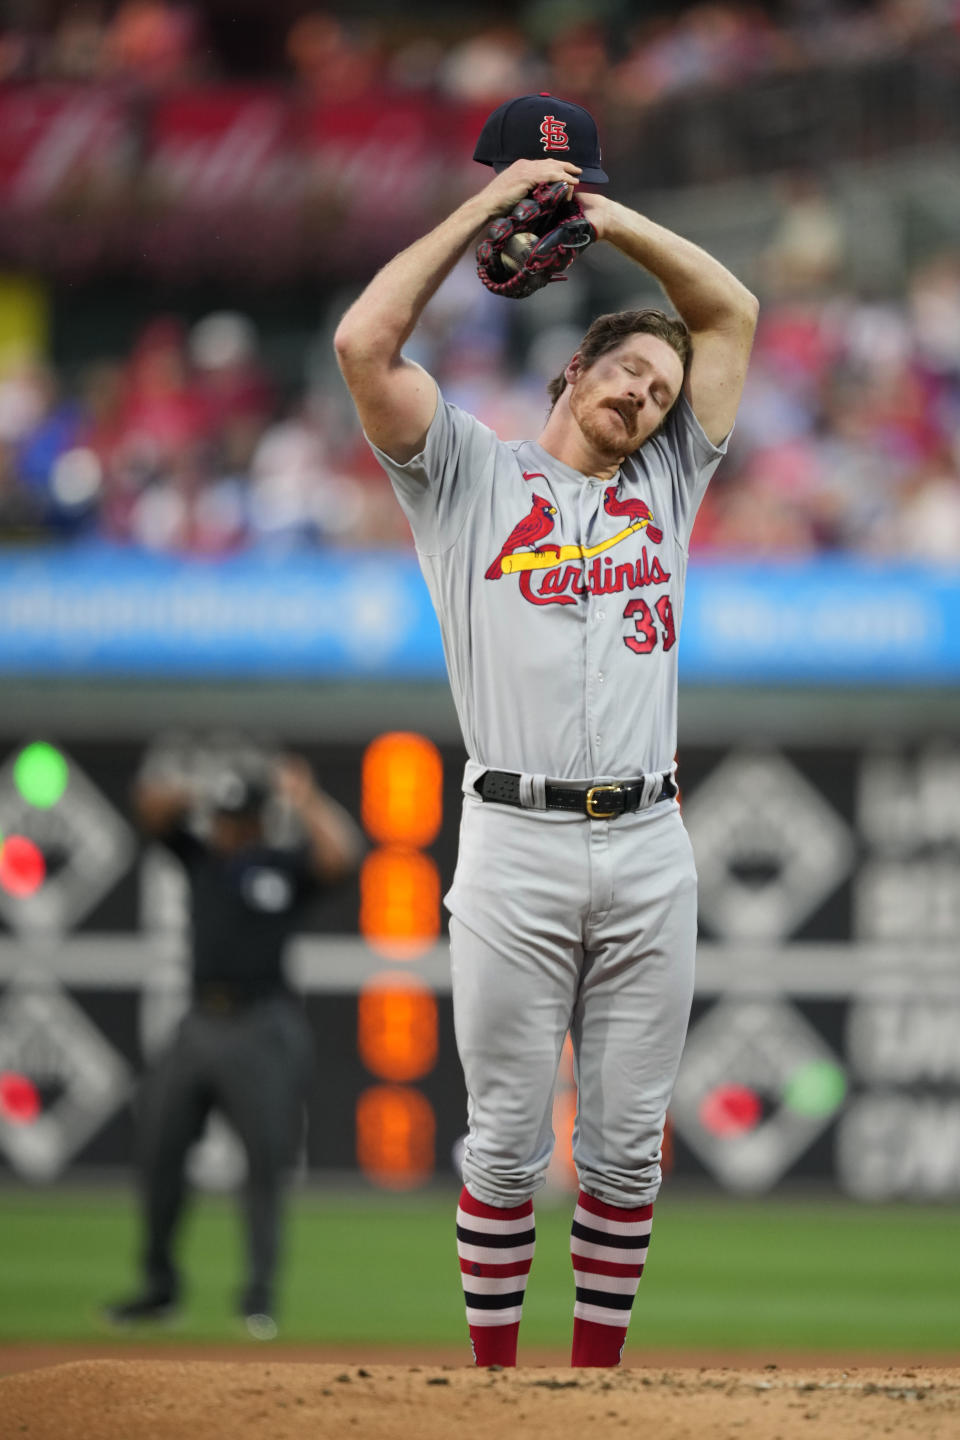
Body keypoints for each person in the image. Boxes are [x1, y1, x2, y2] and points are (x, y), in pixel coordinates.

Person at [334, 98, 758, 1368]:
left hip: (647, 842)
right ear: (572, 370)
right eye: (628, 369)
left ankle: (593, 1393)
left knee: (628, 1148)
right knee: (507, 1139)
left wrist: (601, 216)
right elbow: (365, 340)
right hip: (512, 841)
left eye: (661, 388)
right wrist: (494, 202)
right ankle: (498, 1394)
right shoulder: (468, 475)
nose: (643, 391)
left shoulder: (668, 487)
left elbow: (731, 311)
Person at [105, 752, 363, 1339]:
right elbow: (148, 807)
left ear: (256, 819)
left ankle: (258, 1298)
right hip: (198, 1020)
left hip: (264, 1024)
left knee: (265, 1164)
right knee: (158, 1151)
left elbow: (342, 855)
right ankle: (158, 1288)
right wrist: (206, 786)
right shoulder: (199, 858)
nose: (225, 828)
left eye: (235, 817)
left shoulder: (283, 864)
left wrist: (304, 799)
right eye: (221, 817)